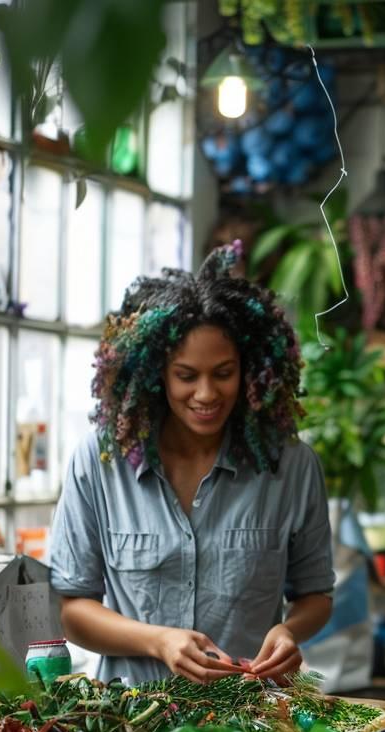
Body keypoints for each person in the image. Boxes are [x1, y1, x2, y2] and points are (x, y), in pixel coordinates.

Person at [50, 242, 335, 685]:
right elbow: (72, 610)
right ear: (155, 373)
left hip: (254, 718)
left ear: (251, 370)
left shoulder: (292, 466)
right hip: (130, 721)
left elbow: (315, 594)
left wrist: (289, 630)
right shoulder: (100, 462)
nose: (206, 394)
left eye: (223, 373)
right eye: (186, 376)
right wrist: (157, 641)